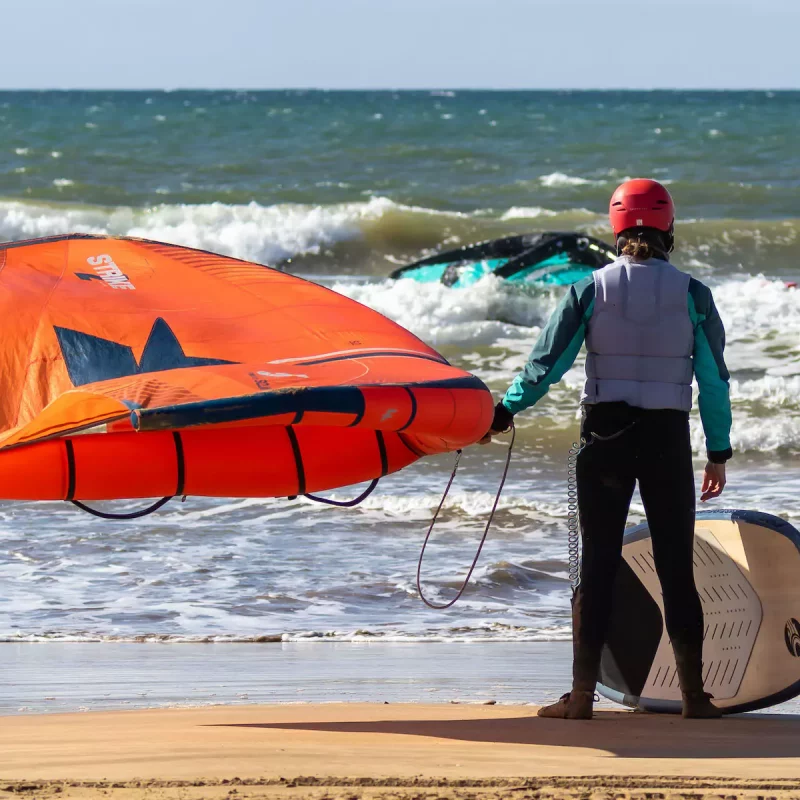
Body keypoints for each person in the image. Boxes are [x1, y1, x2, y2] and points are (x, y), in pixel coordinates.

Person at [484, 179, 731, 720]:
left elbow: (546, 364)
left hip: (606, 439)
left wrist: (505, 411)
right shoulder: (693, 294)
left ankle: (580, 698)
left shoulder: (589, 289)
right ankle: (694, 698)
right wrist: (718, 450)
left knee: (595, 567)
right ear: (669, 228)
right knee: (676, 570)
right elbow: (713, 381)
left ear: (617, 228)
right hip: (666, 440)